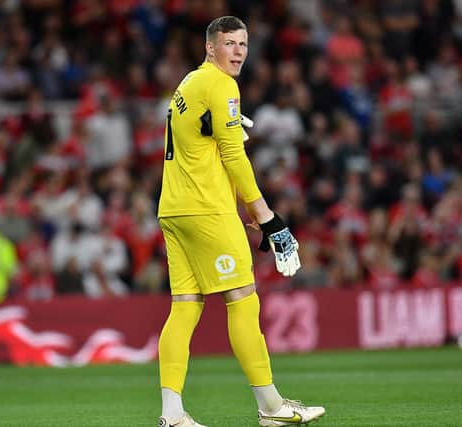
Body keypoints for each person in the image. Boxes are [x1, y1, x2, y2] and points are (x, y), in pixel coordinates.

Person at [156, 16, 325, 427]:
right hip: (207, 209)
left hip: (174, 208)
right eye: (229, 44)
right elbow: (235, 157)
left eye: (244, 44)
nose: (238, 52)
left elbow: (195, 133)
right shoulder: (221, 85)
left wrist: (222, 128)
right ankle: (271, 407)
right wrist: (267, 219)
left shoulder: (190, 83)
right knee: (242, 299)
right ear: (210, 47)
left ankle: (172, 414)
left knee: (185, 307)